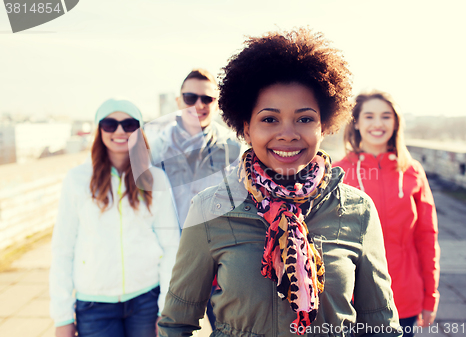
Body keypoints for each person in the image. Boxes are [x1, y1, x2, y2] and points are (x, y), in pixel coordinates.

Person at [158, 29, 402, 337]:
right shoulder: (210, 209)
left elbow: (381, 326)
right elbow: (175, 324)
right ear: (246, 128)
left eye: (304, 119)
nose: (287, 134)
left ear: (323, 126)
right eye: (269, 119)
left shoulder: (358, 210)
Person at [50, 98, 180, 337]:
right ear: (99, 130)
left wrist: (166, 308)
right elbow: (62, 249)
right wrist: (62, 317)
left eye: (129, 124)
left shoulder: (156, 179)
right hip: (93, 305)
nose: (120, 131)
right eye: (110, 124)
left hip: (146, 300)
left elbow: (171, 245)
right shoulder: (77, 180)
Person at [333, 90, 440, 337]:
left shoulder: (413, 171)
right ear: (356, 123)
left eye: (386, 116)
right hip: (350, 301)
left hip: (404, 298)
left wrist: (430, 295)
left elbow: (427, 237)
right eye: (369, 116)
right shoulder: (337, 173)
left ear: (395, 122)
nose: (378, 124)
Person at [150, 68, 242, 227]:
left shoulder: (235, 148)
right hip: (172, 247)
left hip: (217, 247)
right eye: (190, 98)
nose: (199, 105)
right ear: (178, 101)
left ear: (217, 105)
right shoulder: (156, 149)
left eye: (207, 99)